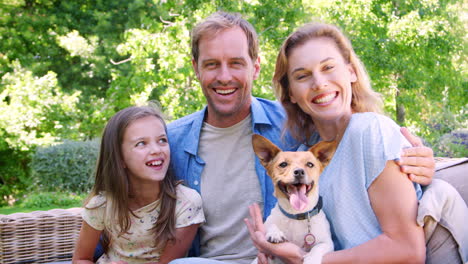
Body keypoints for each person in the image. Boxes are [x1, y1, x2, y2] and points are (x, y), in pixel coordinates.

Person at [167, 12, 436, 264]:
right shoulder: (170, 143)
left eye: (236, 63)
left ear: (255, 67)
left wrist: (420, 162)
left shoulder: (320, 129)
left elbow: (406, 243)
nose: (224, 76)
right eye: (212, 64)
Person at [245, 22, 467, 263]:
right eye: (302, 76)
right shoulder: (304, 157)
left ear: (350, 71)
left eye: (328, 67)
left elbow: (407, 250)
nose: (319, 83)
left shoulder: (371, 131)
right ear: (290, 93)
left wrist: (303, 260)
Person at [72, 105, 205, 264]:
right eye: (141, 143)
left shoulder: (185, 204)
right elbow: (81, 259)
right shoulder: (102, 205)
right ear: (119, 158)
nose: (156, 150)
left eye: (162, 140)